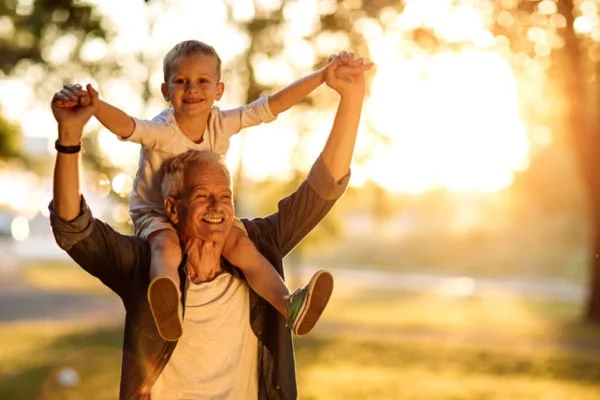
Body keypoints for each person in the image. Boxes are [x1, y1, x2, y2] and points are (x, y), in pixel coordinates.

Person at [49, 53, 370, 399]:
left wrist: (350, 97)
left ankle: (290, 303)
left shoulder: (257, 243)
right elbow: (73, 226)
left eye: (225, 195)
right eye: (203, 195)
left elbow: (323, 186)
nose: (218, 206)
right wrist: (70, 135)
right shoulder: (140, 263)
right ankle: (167, 296)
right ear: (172, 207)